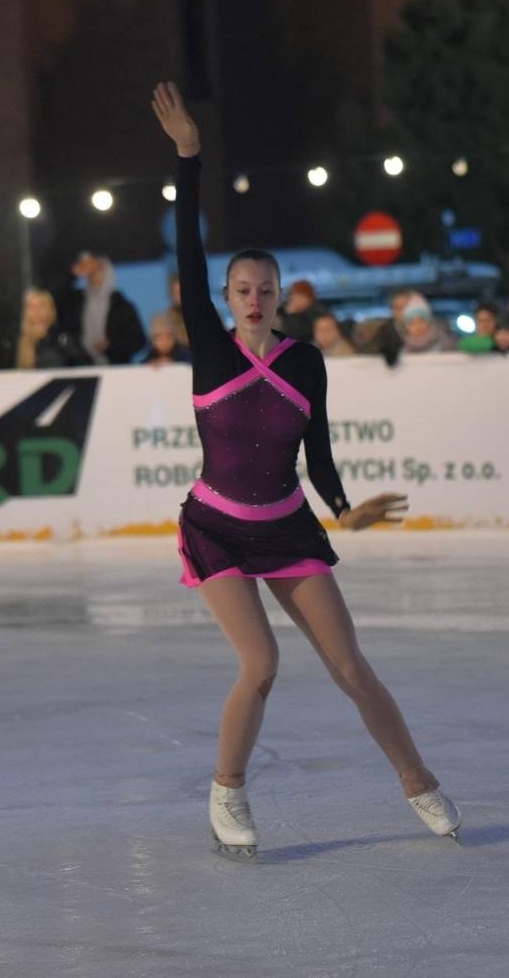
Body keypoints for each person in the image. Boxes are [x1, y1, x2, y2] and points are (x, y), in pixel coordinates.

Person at [152, 80, 460, 859]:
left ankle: (418, 781)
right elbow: (187, 242)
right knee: (261, 664)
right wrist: (190, 156)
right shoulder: (211, 347)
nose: (253, 299)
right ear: (222, 297)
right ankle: (227, 792)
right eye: (241, 290)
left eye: (265, 289)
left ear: (280, 294)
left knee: (351, 667)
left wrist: (342, 506)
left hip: (287, 526)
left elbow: (316, 448)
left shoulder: (306, 361)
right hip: (216, 528)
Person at [58, 251, 146, 365]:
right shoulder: (76, 301)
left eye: (99, 268)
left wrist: (111, 346)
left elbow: (138, 341)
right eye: (92, 270)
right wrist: (73, 274)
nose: (95, 273)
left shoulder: (122, 307)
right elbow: (54, 300)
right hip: (81, 366)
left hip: (115, 367)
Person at [15, 288, 93, 369]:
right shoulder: (17, 339)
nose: (36, 311)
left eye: (41, 306)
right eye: (30, 306)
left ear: (51, 310)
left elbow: (85, 366)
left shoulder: (62, 338)